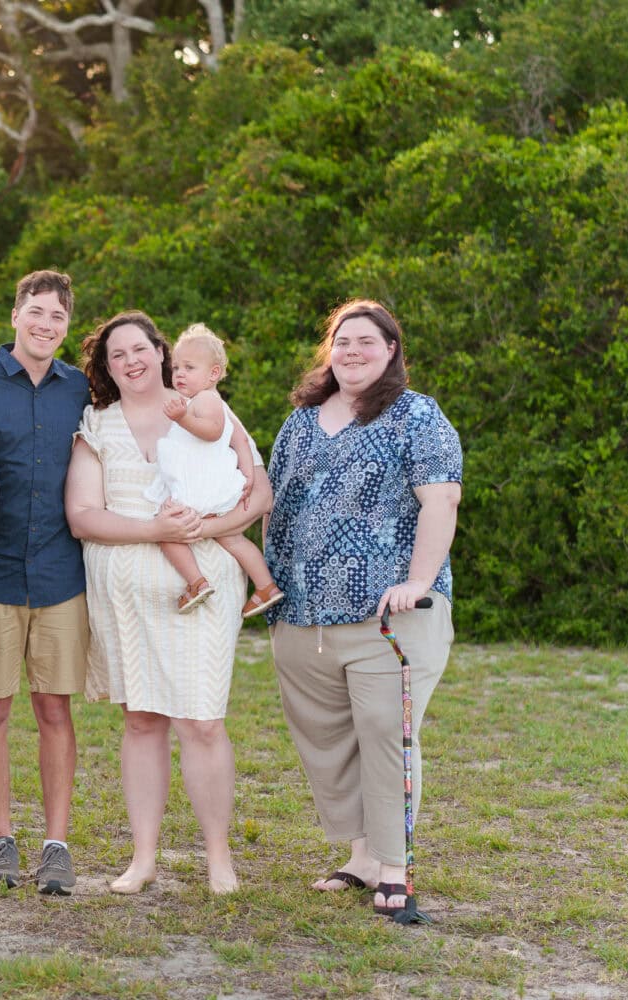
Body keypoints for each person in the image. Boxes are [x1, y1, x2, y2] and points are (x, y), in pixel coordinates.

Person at [263, 299, 461, 917]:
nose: (351, 352)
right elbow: (274, 505)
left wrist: (419, 581)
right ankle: (359, 856)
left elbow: (441, 501)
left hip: (389, 615)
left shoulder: (415, 415)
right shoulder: (299, 422)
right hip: (302, 615)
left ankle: (395, 871)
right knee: (327, 740)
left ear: (392, 350)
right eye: (342, 342)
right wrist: (265, 578)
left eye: (366, 342)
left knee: (385, 735)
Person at [65, 310, 271, 895]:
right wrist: (155, 529)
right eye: (116, 356)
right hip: (126, 588)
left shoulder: (208, 406)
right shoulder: (96, 424)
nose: (130, 361)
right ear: (106, 369)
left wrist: (204, 530)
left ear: (161, 352)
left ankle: (219, 858)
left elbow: (259, 489)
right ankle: (143, 858)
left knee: (202, 721)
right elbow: (82, 516)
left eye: (140, 349)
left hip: (205, 581)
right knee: (142, 719)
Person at [0, 270, 92, 896]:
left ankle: (55, 845)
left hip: (61, 573)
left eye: (57, 317)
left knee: (55, 709)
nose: (46, 324)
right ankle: (1, 839)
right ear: (15, 316)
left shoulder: (84, 390)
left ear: (66, 326)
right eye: (36, 311)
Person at [141, 324, 283, 617]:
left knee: (166, 532)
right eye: (176, 367)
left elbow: (213, 432)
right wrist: (248, 476)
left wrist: (182, 418)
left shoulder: (206, 399)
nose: (179, 374)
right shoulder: (201, 402)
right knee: (231, 538)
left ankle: (196, 582)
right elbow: (240, 440)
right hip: (214, 488)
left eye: (189, 367)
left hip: (202, 490)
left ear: (213, 374)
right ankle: (265, 586)